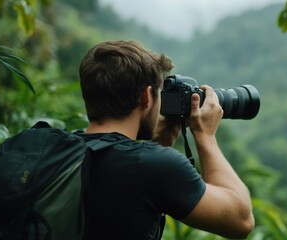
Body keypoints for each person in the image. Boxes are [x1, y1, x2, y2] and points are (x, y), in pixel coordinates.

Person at [78, 40, 254, 239]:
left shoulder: (63, 150)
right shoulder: (151, 165)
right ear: (145, 97)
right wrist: (205, 136)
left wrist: (159, 143)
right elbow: (241, 220)